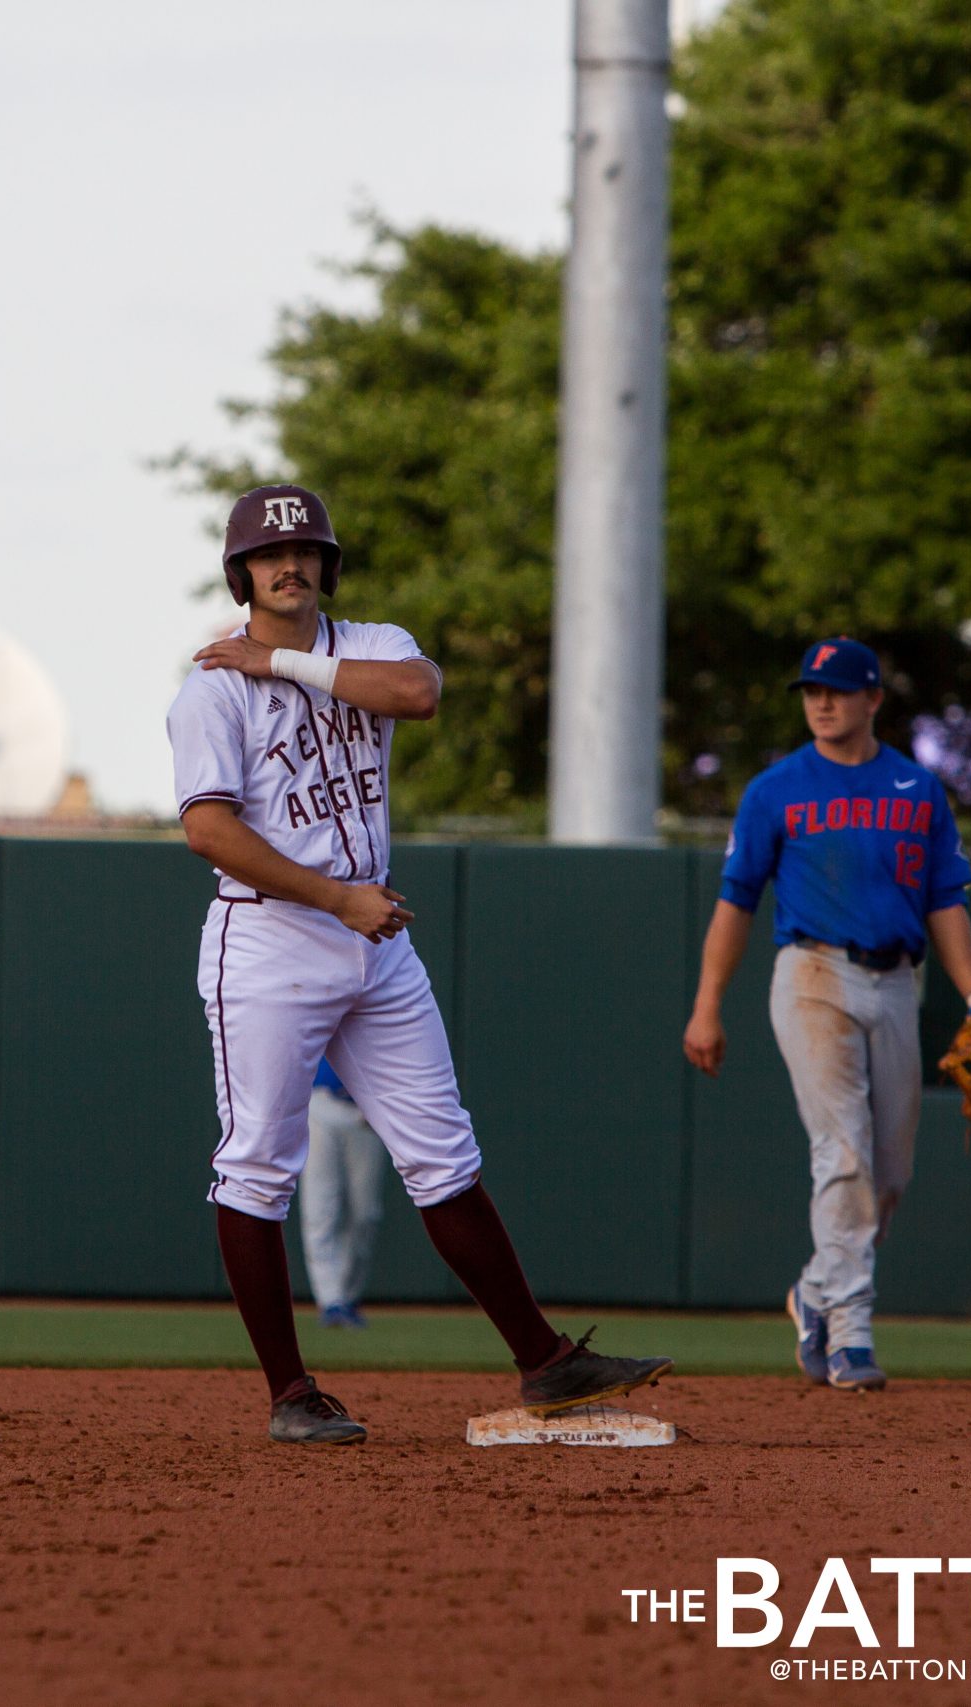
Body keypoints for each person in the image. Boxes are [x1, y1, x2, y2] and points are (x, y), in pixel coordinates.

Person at [169, 483, 673, 1445]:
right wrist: (335, 900)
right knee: (257, 1169)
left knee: (444, 1152)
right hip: (272, 939)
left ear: (327, 565)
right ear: (240, 573)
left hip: (373, 938)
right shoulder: (212, 689)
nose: (291, 565)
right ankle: (290, 1391)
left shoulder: (371, 643)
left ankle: (546, 1361)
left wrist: (281, 660)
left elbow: (420, 693)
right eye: (271, 556)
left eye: (308, 551)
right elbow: (208, 831)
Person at [680, 637, 971, 1394]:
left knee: (889, 1173)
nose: (821, 701)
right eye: (810, 690)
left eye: (836, 688)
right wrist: (707, 1007)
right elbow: (737, 903)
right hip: (812, 973)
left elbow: (946, 900)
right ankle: (850, 1333)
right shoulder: (776, 788)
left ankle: (816, 1292)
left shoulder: (915, 788)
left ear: (873, 698)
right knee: (846, 1153)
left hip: (898, 982)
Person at [302, 1057, 387, 1330]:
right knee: (319, 1209)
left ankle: (347, 1296)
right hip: (320, 1101)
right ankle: (331, 1300)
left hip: (366, 1109)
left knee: (366, 1214)